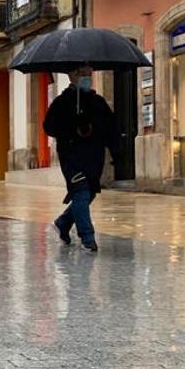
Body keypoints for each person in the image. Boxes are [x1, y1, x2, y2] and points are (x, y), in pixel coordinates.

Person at [43, 66, 118, 252]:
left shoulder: (98, 102)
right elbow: (49, 127)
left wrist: (117, 153)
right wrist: (72, 126)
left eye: (89, 74)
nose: (87, 77)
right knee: (81, 193)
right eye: (82, 74)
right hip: (71, 158)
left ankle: (63, 222)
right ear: (72, 76)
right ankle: (87, 237)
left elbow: (111, 128)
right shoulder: (62, 102)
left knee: (88, 193)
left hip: (94, 158)